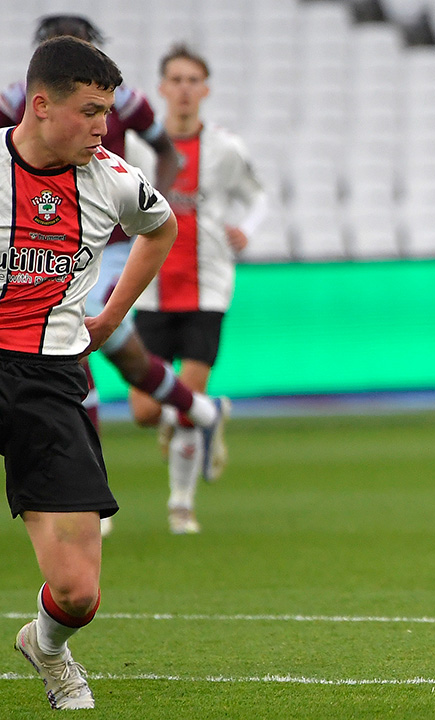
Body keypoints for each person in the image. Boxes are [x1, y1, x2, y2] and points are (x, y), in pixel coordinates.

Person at [1, 15, 231, 537]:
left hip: (104, 243)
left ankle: (83, 502)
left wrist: (158, 195)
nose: (101, 121)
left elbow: (166, 151)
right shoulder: (17, 96)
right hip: (35, 240)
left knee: (76, 344)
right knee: (120, 356)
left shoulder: (123, 105)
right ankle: (197, 408)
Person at [4, 36, 178, 710]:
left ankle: (45, 647)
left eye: (109, 110)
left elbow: (159, 230)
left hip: (51, 379)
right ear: (41, 106)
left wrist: (110, 315)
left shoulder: (113, 180)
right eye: (91, 111)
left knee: (79, 593)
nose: (106, 126)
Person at [128, 44, 265, 535]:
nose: (184, 89)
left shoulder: (225, 147)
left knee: (184, 398)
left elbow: (257, 195)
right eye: (176, 80)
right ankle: (210, 414)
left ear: (205, 89)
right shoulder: (140, 147)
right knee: (146, 411)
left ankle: (180, 504)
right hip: (150, 287)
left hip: (207, 287)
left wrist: (246, 227)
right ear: (162, 87)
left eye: (193, 80)